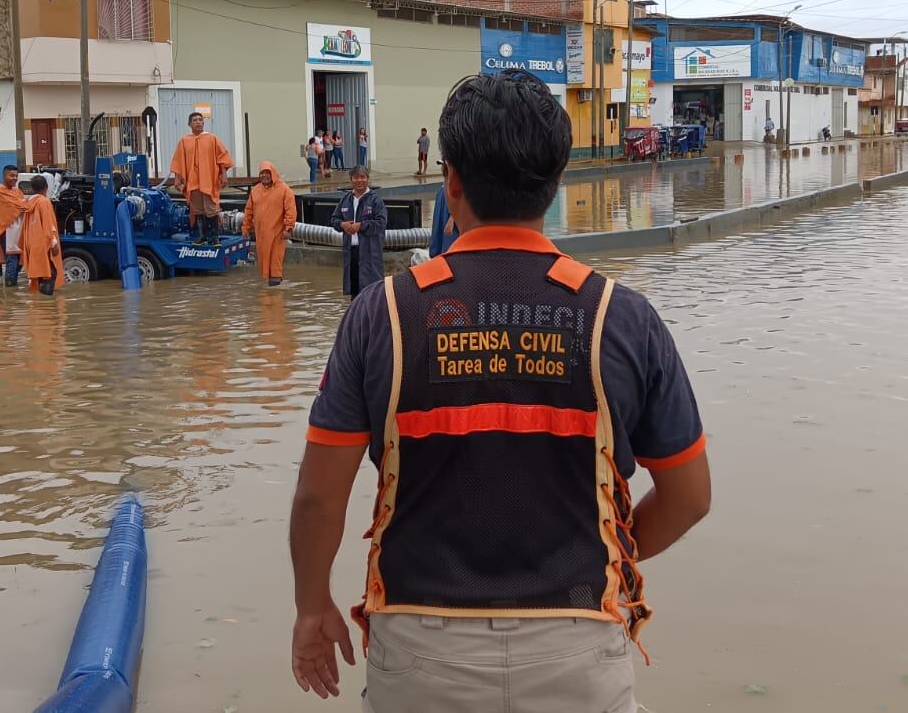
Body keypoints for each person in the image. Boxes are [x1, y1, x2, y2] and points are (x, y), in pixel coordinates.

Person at [288, 71, 710, 710]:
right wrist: (606, 558)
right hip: (579, 649)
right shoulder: (621, 317)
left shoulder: (383, 315)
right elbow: (690, 496)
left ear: (451, 181)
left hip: (419, 653)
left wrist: (311, 604)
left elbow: (320, 498)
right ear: (557, 181)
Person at [169, 111, 234, 245]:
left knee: (211, 209)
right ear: (189, 124)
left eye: (200, 120)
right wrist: (177, 178)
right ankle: (203, 237)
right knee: (197, 210)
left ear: (203, 123)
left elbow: (222, 157)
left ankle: (214, 237)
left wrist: (224, 174)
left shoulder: (212, 138)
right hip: (193, 182)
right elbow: (178, 160)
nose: (198, 122)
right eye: (195, 120)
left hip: (208, 181)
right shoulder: (184, 141)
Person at [331, 166, 387, 298]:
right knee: (354, 291)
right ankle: (355, 310)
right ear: (350, 180)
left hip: (370, 252)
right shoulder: (345, 199)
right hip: (351, 252)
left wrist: (361, 226)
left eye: (363, 177)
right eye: (356, 177)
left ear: (368, 179)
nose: (359, 180)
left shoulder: (375, 200)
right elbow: (334, 219)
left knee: (372, 292)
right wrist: (342, 224)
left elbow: (381, 223)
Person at [242, 161, 297, 287]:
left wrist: (288, 228)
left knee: (275, 262)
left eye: (267, 172)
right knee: (264, 263)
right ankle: (270, 292)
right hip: (261, 235)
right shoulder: (255, 190)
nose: (264, 175)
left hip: (277, 235)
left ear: (273, 173)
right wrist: (245, 227)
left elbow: (291, 210)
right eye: (262, 173)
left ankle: (276, 288)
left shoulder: (284, 189)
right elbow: (248, 210)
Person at [19, 175, 65, 295]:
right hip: (43, 244)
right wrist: (53, 243)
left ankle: (38, 302)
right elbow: (49, 225)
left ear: (32, 189)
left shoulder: (28, 203)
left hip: (32, 244)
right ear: (46, 187)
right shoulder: (44, 202)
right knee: (49, 274)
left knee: (38, 274)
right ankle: (47, 303)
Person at [0, 164, 28, 287]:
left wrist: (22, 205)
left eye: (16, 176)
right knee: (11, 260)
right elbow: (16, 207)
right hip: (7, 232)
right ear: (4, 176)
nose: (15, 178)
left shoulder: (17, 191)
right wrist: (21, 205)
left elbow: (23, 205)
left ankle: (11, 288)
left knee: (19, 261)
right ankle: (9, 290)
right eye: (11, 176)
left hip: (18, 231)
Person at [427, 183, 457, 256]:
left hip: (452, 197)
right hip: (444, 193)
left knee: (449, 243)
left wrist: (452, 217)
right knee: (438, 237)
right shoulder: (442, 191)